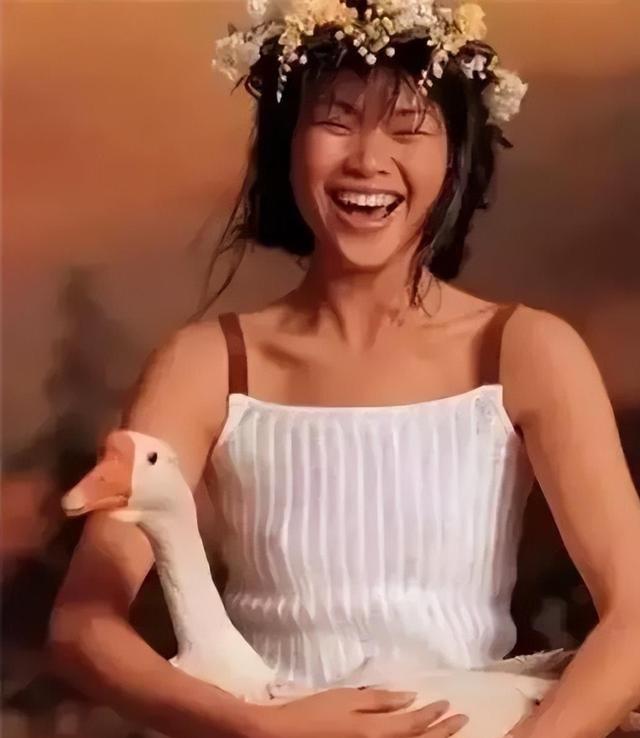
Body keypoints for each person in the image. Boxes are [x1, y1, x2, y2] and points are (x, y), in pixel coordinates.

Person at [49, 2, 640, 737]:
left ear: (456, 154)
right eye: (336, 120)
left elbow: (633, 614)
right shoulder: (207, 364)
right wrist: (262, 729)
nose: (368, 160)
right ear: (285, 142)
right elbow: (83, 624)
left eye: (408, 127)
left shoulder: (524, 350)